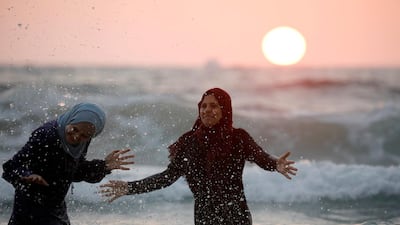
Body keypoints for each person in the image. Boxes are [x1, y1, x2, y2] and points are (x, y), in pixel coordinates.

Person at [100, 88, 297, 225]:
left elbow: (259, 156)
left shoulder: (238, 138)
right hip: (204, 217)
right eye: (204, 106)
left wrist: (275, 164)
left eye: (214, 106)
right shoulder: (188, 143)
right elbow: (167, 177)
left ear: (224, 110)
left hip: (236, 216)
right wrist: (130, 187)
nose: (207, 110)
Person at [2, 102, 135, 225]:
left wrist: (104, 166)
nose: (77, 137)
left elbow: (74, 172)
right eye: (74, 129)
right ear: (71, 120)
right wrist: (28, 175)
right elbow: (11, 167)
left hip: (55, 206)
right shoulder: (47, 135)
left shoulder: (82, 141)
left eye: (85, 136)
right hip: (30, 204)